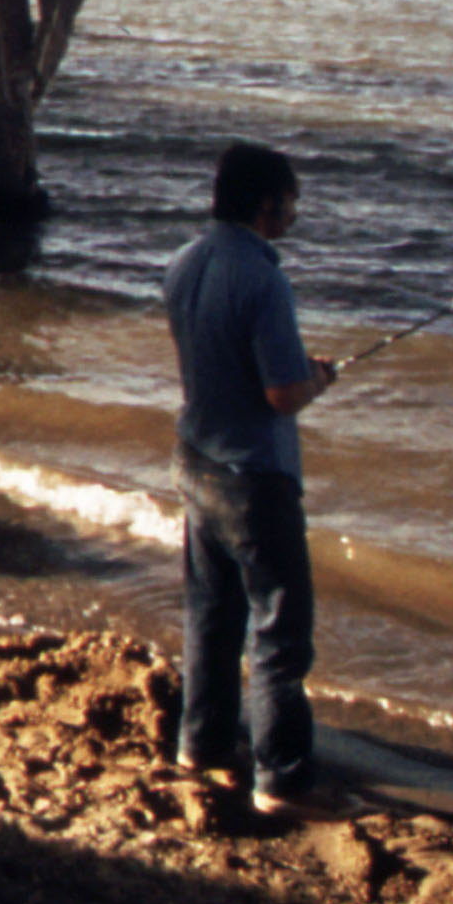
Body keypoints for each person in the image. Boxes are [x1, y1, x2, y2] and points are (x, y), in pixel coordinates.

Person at [163, 140, 342, 818]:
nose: (295, 214)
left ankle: (201, 744)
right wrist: (318, 379)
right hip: (254, 476)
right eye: (292, 202)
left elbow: (222, 360)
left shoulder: (181, 264)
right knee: (278, 631)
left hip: (194, 458)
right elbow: (281, 394)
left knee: (210, 613)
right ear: (268, 205)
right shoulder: (266, 279)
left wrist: (296, 374)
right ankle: (284, 779)